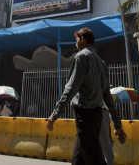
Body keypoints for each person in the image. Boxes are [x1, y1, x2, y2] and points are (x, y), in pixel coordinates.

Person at [47, 27, 126, 165]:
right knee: (79, 157)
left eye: (76, 39)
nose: (75, 43)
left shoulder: (81, 57)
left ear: (83, 39)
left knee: (92, 155)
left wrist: (54, 114)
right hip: (96, 115)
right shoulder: (101, 63)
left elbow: (70, 89)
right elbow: (107, 96)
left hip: (84, 115)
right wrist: (118, 125)